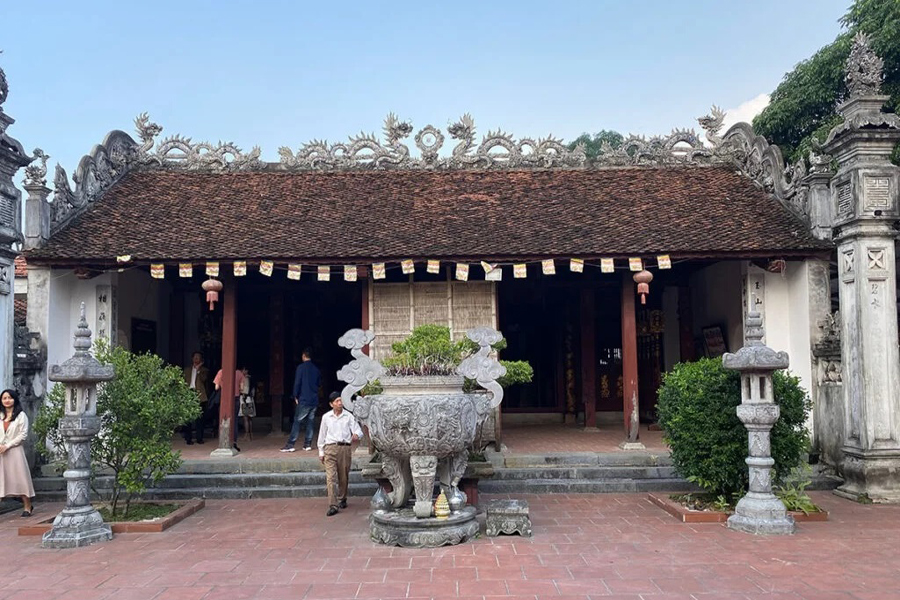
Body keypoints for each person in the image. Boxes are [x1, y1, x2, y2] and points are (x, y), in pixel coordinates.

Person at [318, 391, 362, 516]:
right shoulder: (326, 417)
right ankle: (333, 504)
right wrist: (321, 451)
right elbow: (322, 435)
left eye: (340, 400)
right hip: (330, 448)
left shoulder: (348, 416)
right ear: (331, 404)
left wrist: (356, 435)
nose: (339, 403)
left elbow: (358, 430)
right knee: (330, 477)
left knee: (343, 476)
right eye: (336, 401)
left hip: (344, 448)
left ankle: (342, 497)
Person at [0, 389, 36, 517]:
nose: (7, 400)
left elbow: (23, 435)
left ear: (14, 399)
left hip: (15, 451)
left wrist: (8, 445)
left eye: (10, 398)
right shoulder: (0, 415)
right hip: (0, 451)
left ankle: (27, 505)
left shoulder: (21, 416)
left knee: (20, 478)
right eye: (4, 398)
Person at [281, 348, 320, 452]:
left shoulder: (301, 368)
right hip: (314, 399)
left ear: (303, 356)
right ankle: (307, 444)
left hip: (304, 398)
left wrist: (295, 395)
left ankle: (291, 444)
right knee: (310, 422)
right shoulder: (316, 369)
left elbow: (297, 383)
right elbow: (318, 384)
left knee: (297, 421)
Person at [212, 366, 244, 452]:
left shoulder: (221, 372)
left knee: (223, 419)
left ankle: (223, 441)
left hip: (224, 398)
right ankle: (234, 442)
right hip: (236, 398)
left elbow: (216, 387)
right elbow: (242, 388)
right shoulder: (239, 373)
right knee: (235, 420)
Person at [182, 351, 209, 445]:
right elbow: (183, 381)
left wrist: (198, 370)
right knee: (188, 418)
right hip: (189, 393)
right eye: (195, 357)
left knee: (199, 418)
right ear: (192, 358)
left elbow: (203, 379)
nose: (196, 358)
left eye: (198, 357)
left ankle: (199, 438)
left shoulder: (204, 370)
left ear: (201, 359)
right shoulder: (186, 370)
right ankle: (188, 438)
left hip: (199, 395)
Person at [237, 367, 255, 440]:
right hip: (249, 398)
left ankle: (247, 435)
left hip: (245, 398)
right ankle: (251, 434)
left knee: (245, 417)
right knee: (249, 418)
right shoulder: (250, 378)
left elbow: (245, 389)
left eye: (243, 370)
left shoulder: (245, 379)